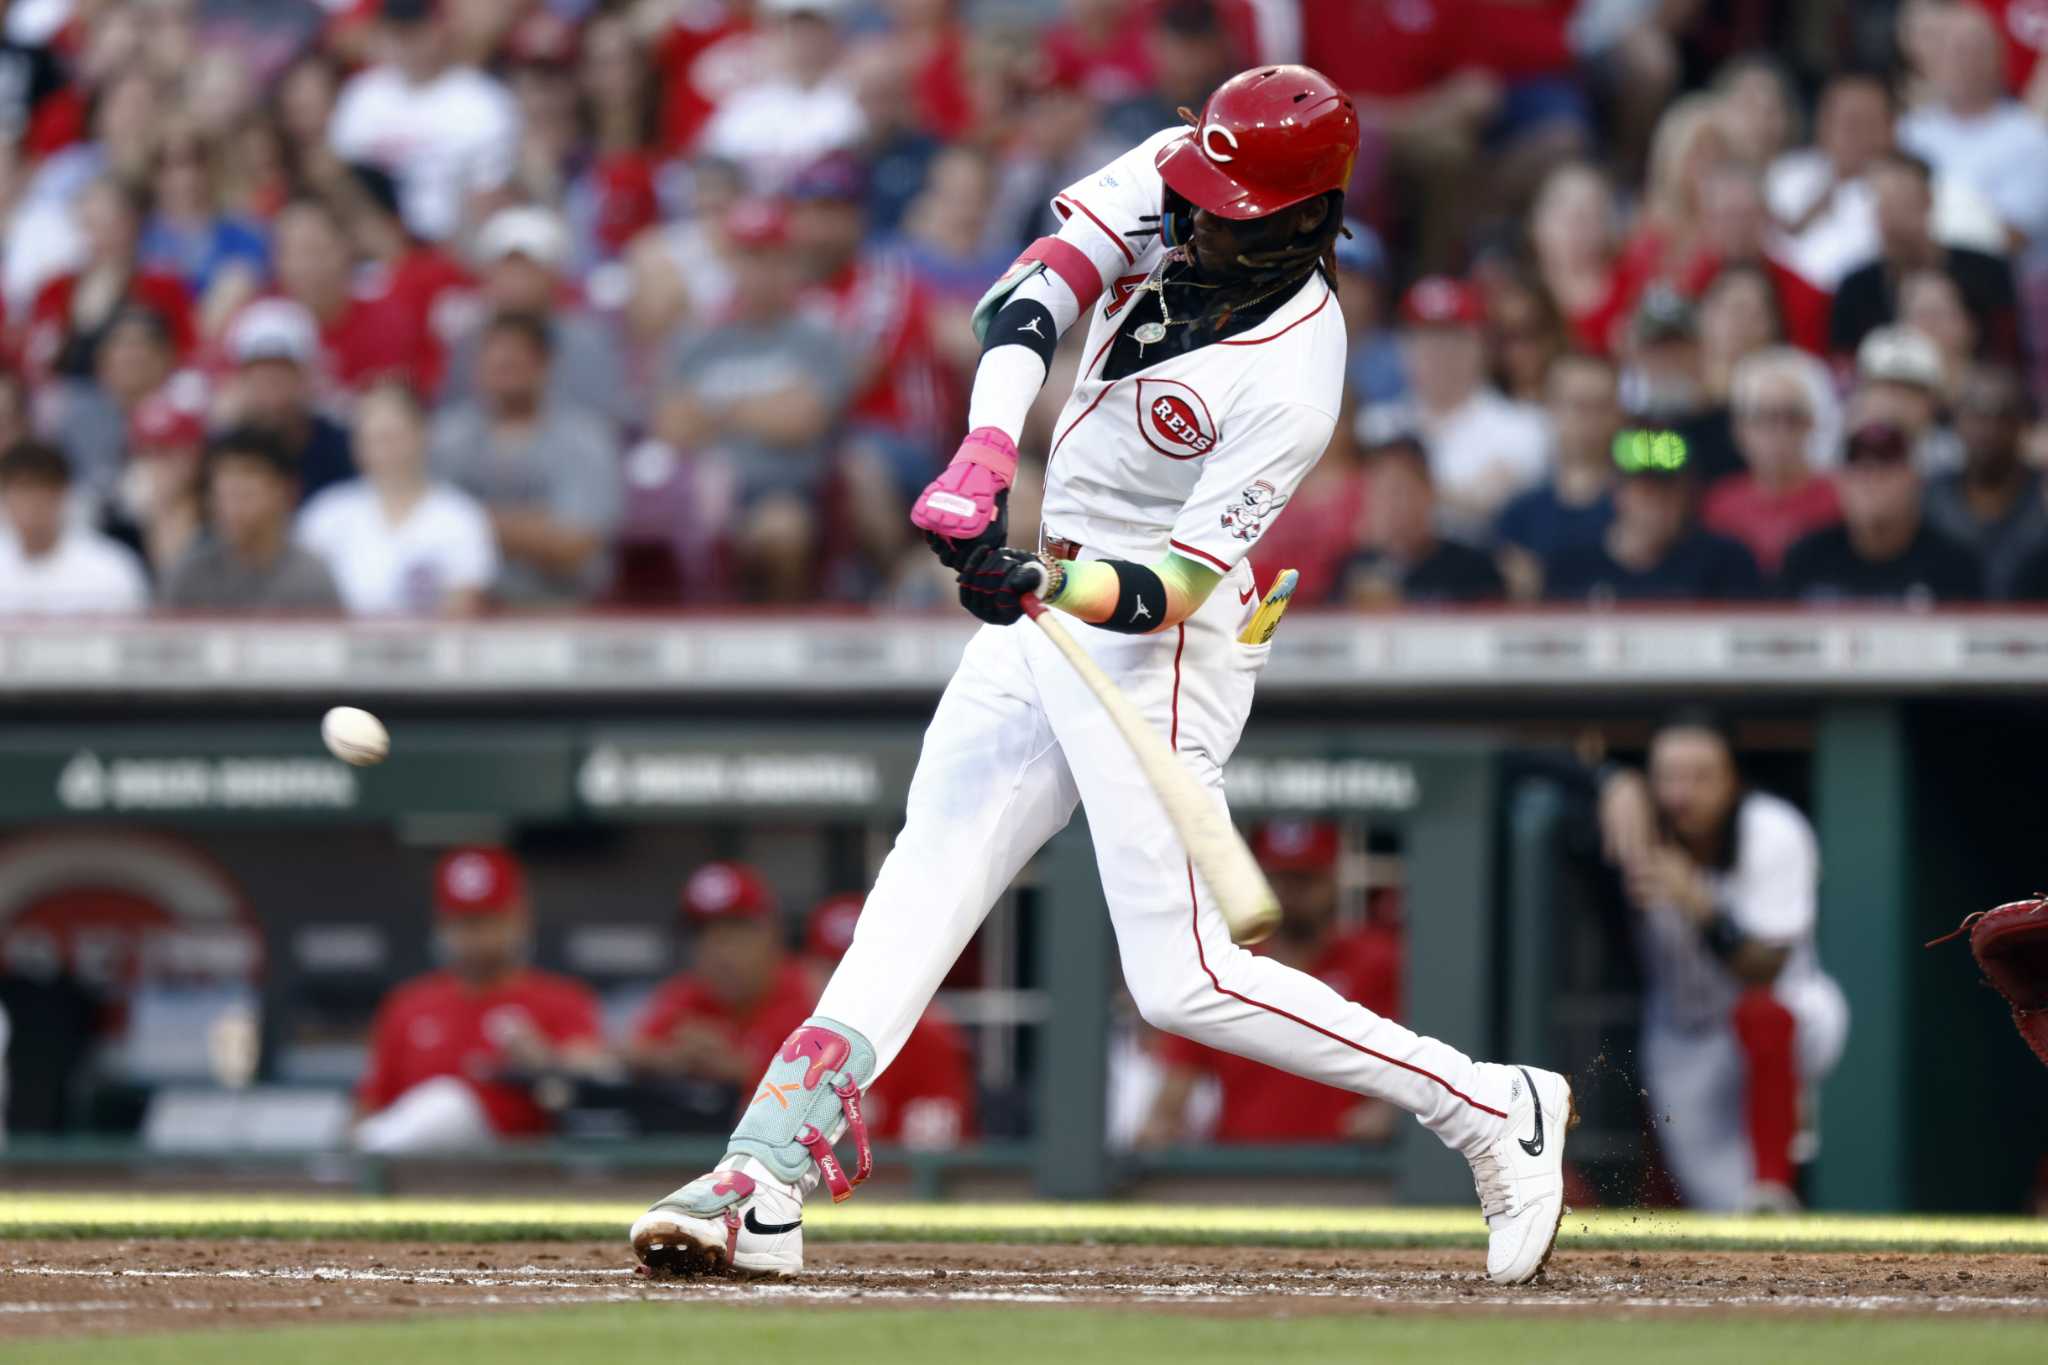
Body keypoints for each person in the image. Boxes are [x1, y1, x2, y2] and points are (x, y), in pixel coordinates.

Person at [630, 66, 1576, 1290]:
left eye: (1223, 204)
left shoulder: (1293, 374)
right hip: (1051, 586)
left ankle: (1491, 1105)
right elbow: (1032, 297)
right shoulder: (1187, 165)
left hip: (1159, 643)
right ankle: (762, 1175)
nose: (1186, 215)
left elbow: (1173, 588)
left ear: (1301, 218)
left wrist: (1034, 580)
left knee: (1182, 984)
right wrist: (984, 454)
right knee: (926, 872)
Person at [1597, 713, 1849, 1212]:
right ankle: (1761, 1209)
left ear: (1732, 779)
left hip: (1790, 1015)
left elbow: (1764, 968)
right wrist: (1609, 780)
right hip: (1686, 1033)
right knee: (1726, 1207)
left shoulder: (1770, 828)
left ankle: (1776, 1179)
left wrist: (1703, 908)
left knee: (1762, 1013)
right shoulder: (1637, 823)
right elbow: (1519, 760)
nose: (1681, 794)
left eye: (1700, 777)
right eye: (1668, 777)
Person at [1137, 821, 1401, 1147]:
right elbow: (1173, 1094)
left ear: (1332, 878)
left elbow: (1417, 1071)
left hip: (1346, 1171)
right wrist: (1161, 1129)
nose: (1291, 892)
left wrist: (1389, 1113)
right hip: (1243, 1170)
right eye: (1280, 877)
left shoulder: (1376, 962)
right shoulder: (1221, 972)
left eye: (1305, 878)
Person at [658, 200, 851, 602]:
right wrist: (763, 409)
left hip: (781, 490)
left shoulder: (818, 338)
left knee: (781, 529)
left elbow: (802, 421)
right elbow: (672, 426)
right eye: (749, 258)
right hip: (699, 491)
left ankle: (785, 638)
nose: (761, 273)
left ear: (790, 265)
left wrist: (714, 412)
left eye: (771, 259)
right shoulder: (698, 339)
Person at [355, 847, 605, 1154]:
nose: (476, 936)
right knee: (442, 1103)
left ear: (519, 919)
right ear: (442, 924)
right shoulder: (408, 1005)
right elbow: (371, 1102)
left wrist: (545, 1059)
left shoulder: (560, 997)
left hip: (517, 1172)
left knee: (449, 1106)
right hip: (417, 1176)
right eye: (464, 922)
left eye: (488, 920)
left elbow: (597, 1067)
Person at [431, 310, 623, 607]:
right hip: (465, 609)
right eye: (495, 364)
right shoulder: (448, 437)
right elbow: (428, 533)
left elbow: (574, 546)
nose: (503, 373)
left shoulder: (583, 439)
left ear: (544, 365)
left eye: (514, 364)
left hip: (564, 608)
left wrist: (472, 523)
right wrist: (535, 527)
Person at [296, 381, 497, 617]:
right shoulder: (325, 514)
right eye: (374, 437)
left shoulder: (461, 516)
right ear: (356, 445)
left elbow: (464, 606)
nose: (386, 450)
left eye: (394, 435)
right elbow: (306, 606)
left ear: (423, 433)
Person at [327, 0, 519, 243]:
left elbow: (490, 194)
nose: (407, 43)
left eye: (416, 31)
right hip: (382, 245)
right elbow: (341, 180)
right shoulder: (362, 96)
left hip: (461, 243)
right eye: (397, 32)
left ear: (439, 29)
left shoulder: (481, 99)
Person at [1374, 275, 1550, 539]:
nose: (1440, 353)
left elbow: (1504, 511)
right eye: (1427, 339)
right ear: (1404, 347)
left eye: (1453, 338)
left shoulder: (1525, 427)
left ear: (1481, 345)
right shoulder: (1377, 425)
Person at [626, 863, 820, 1095]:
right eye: (704, 936)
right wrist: (672, 1058)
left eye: (734, 934)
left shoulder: (812, 995)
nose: (720, 952)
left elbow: (829, 1089)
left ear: (772, 934)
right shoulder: (686, 994)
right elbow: (629, 1052)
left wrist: (741, 1069)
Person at [800, 894, 974, 1149]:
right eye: (832, 971)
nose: (848, 987)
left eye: (863, 972)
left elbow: (928, 1164)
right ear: (807, 972)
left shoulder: (928, 1040)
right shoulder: (793, 1036)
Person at [442, 206, 627, 427]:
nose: (515, 280)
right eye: (506, 268)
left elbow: (601, 422)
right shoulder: (469, 343)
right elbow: (452, 421)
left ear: (552, 275)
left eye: (526, 268)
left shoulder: (588, 343)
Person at [1829, 150, 2020, 362]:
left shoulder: (1986, 273)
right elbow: (1844, 366)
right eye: (1881, 202)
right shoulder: (1856, 290)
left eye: (1900, 201)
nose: (1890, 215)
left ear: (1927, 200)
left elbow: (2009, 358)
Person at [1543, 426, 1763, 602]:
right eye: (1647, 490)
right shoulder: (1573, 566)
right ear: (1619, 493)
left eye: (1669, 490)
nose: (1658, 503)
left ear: (1687, 496)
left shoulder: (1724, 563)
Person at [1778, 420, 1984, 604]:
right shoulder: (1806, 559)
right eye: (1859, 466)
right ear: (1840, 481)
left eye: (1886, 464)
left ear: (1914, 479)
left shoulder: (1953, 567)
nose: (1871, 480)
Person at [1899, 2, 2048, 248]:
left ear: (1998, 59)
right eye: (1951, 50)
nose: (1961, 63)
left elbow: (2010, 236)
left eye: (1973, 51)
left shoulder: (2030, 138)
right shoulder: (1909, 132)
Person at [157, 428, 343, 612]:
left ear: (285, 492)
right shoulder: (190, 575)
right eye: (224, 494)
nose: (233, 508)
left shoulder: (310, 578)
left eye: (245, 493)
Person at [1702, 348, 1843, 576]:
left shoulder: (1838, 499)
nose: (1779, 431)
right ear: (1740, 429)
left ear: (1811, 425)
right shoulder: (1719, 505)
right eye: (1765, 417)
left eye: (1791, 417)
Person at [699, 0, 865, 193]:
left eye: (814, 29)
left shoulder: (858, 97)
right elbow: (713, 170)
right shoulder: (745, 105)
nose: (805, 40)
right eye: (795, 30)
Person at [1494, 351, 1623, 599]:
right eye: (1579, 406)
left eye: (1603, 406)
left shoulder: (1641, 505)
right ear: (1551, 408)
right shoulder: (1520, 515)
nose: (1591, 420)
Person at [1332, 431, 1505, 607]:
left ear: (1428, 491)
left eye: (1397, 491)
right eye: (1378, 491)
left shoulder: (1474, 570)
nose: (1388, 505)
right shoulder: (1355, 569)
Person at [1924, 364, 2046, 598]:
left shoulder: (2042, 495)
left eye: (2003, 414)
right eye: (1976, 413)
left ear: (2023, 423)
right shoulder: (1931, 498)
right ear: (1957, 420)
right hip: (1949, 627)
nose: (1988, 427)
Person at [220, 299, 356, 502]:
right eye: (261, 373)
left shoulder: (340, 447)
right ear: (243, 379)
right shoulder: (225, 451)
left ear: (306, 375)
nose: (272, 384)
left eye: (283, 371)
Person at [0, 440, 148, 616]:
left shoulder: (111, 569)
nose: (30, 505)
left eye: (40, 490)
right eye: (20, 492)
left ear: (62, 493)